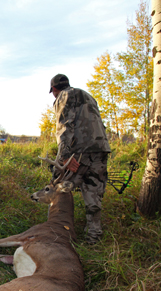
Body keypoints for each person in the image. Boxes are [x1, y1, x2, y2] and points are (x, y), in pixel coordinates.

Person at [49, 74, 111, 244]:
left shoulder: (64, 95)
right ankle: (94, 235)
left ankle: (55, 228)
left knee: (58, 186)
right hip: (100, 148)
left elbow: (64, 126)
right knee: (93, 192)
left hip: (79, 151)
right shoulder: (89, 96)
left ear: (54, 89)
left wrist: (65, 157)